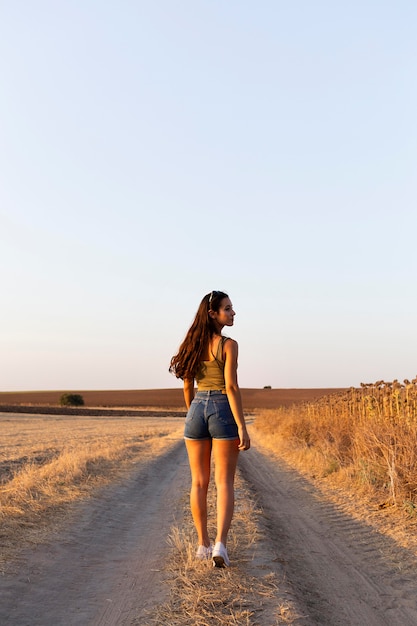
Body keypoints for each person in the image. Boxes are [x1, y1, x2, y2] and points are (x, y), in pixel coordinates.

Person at [169, 290, 250, 568]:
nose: (233, 313)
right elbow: (231, 387)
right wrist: (242, 425)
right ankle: (220, 546)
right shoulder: (228, 344)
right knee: (223, 481)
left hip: (196, 408)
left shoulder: (191, 345)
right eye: (228, 308)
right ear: (213, 314)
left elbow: (186, 385)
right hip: (221, 407)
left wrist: (194, 410)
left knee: (198, 482)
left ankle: (202, 545)